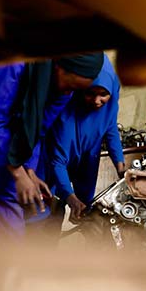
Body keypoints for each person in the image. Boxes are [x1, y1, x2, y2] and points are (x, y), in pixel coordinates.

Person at [0, 53, 104, 240]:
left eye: (76, 90)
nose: (68, 93)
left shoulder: (65, 92)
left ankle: (14, 263)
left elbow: (37, 131)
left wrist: (30, 171)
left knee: (8, 189)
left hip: (3, 106)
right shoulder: (15, 64)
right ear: (58, 67)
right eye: (70, 85)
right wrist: (17, 171)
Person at [48, 54, 125, 226]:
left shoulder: (111, 100)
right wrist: (70, 197)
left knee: (86, 212)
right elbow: (58, 161)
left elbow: (110, 128)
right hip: (57, 159)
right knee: (52, 209)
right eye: (90, 93)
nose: (97, 102)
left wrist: (121, 167)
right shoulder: (66, 116)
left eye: (103, 94)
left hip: (89, 156)